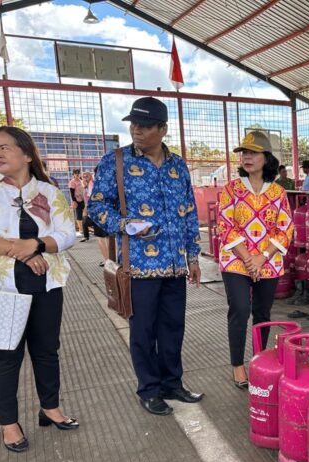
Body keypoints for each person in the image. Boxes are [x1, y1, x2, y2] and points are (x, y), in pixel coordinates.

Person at [0, 126, 78, 452]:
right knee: (5, 358)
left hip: (47, 286)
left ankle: (50, 408)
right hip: (1, 289)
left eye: (4, 147)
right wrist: (22, 251)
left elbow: (68, 233)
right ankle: (9, 424)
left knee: (47, 351)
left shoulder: (49, 192)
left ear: (26, 154)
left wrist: (36, 244)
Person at [89, 96, 203, 416]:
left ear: (163, 129)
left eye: (145, 125)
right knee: (143, 331)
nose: (136, 130)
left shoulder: (177, 165)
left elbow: (189, 212)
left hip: (175, 265)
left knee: (173, 327)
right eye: (134, 124)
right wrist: (124, 225)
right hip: (139, 265)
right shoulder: (116, 161)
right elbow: (97, 206)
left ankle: (172, 383)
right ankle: (149, 389)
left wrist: (193, 257)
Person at [217, 131, 293, 388]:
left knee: (263, 313)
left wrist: (263, 257)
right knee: (240, 309)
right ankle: (238, 365)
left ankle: (259, 361)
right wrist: (250, 259)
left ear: (266, 158)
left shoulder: (278, 192)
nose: (246, 157)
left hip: (267, 260)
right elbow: (226, 225)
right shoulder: (231, 190)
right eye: (243, 153)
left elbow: (285, 228)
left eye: (253, 153)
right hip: (236, 259)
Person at [69, 169, 85, 238]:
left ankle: (83, 228)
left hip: (83, 199)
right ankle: (80, 229)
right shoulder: (72, 182)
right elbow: (72, 192)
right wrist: (74, 201)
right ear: (73, 174)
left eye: (78, 173)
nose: (77, 174)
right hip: (77, 200)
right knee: (79, 214)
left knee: (83, 214)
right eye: (76, 173)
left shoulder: (81, 180)